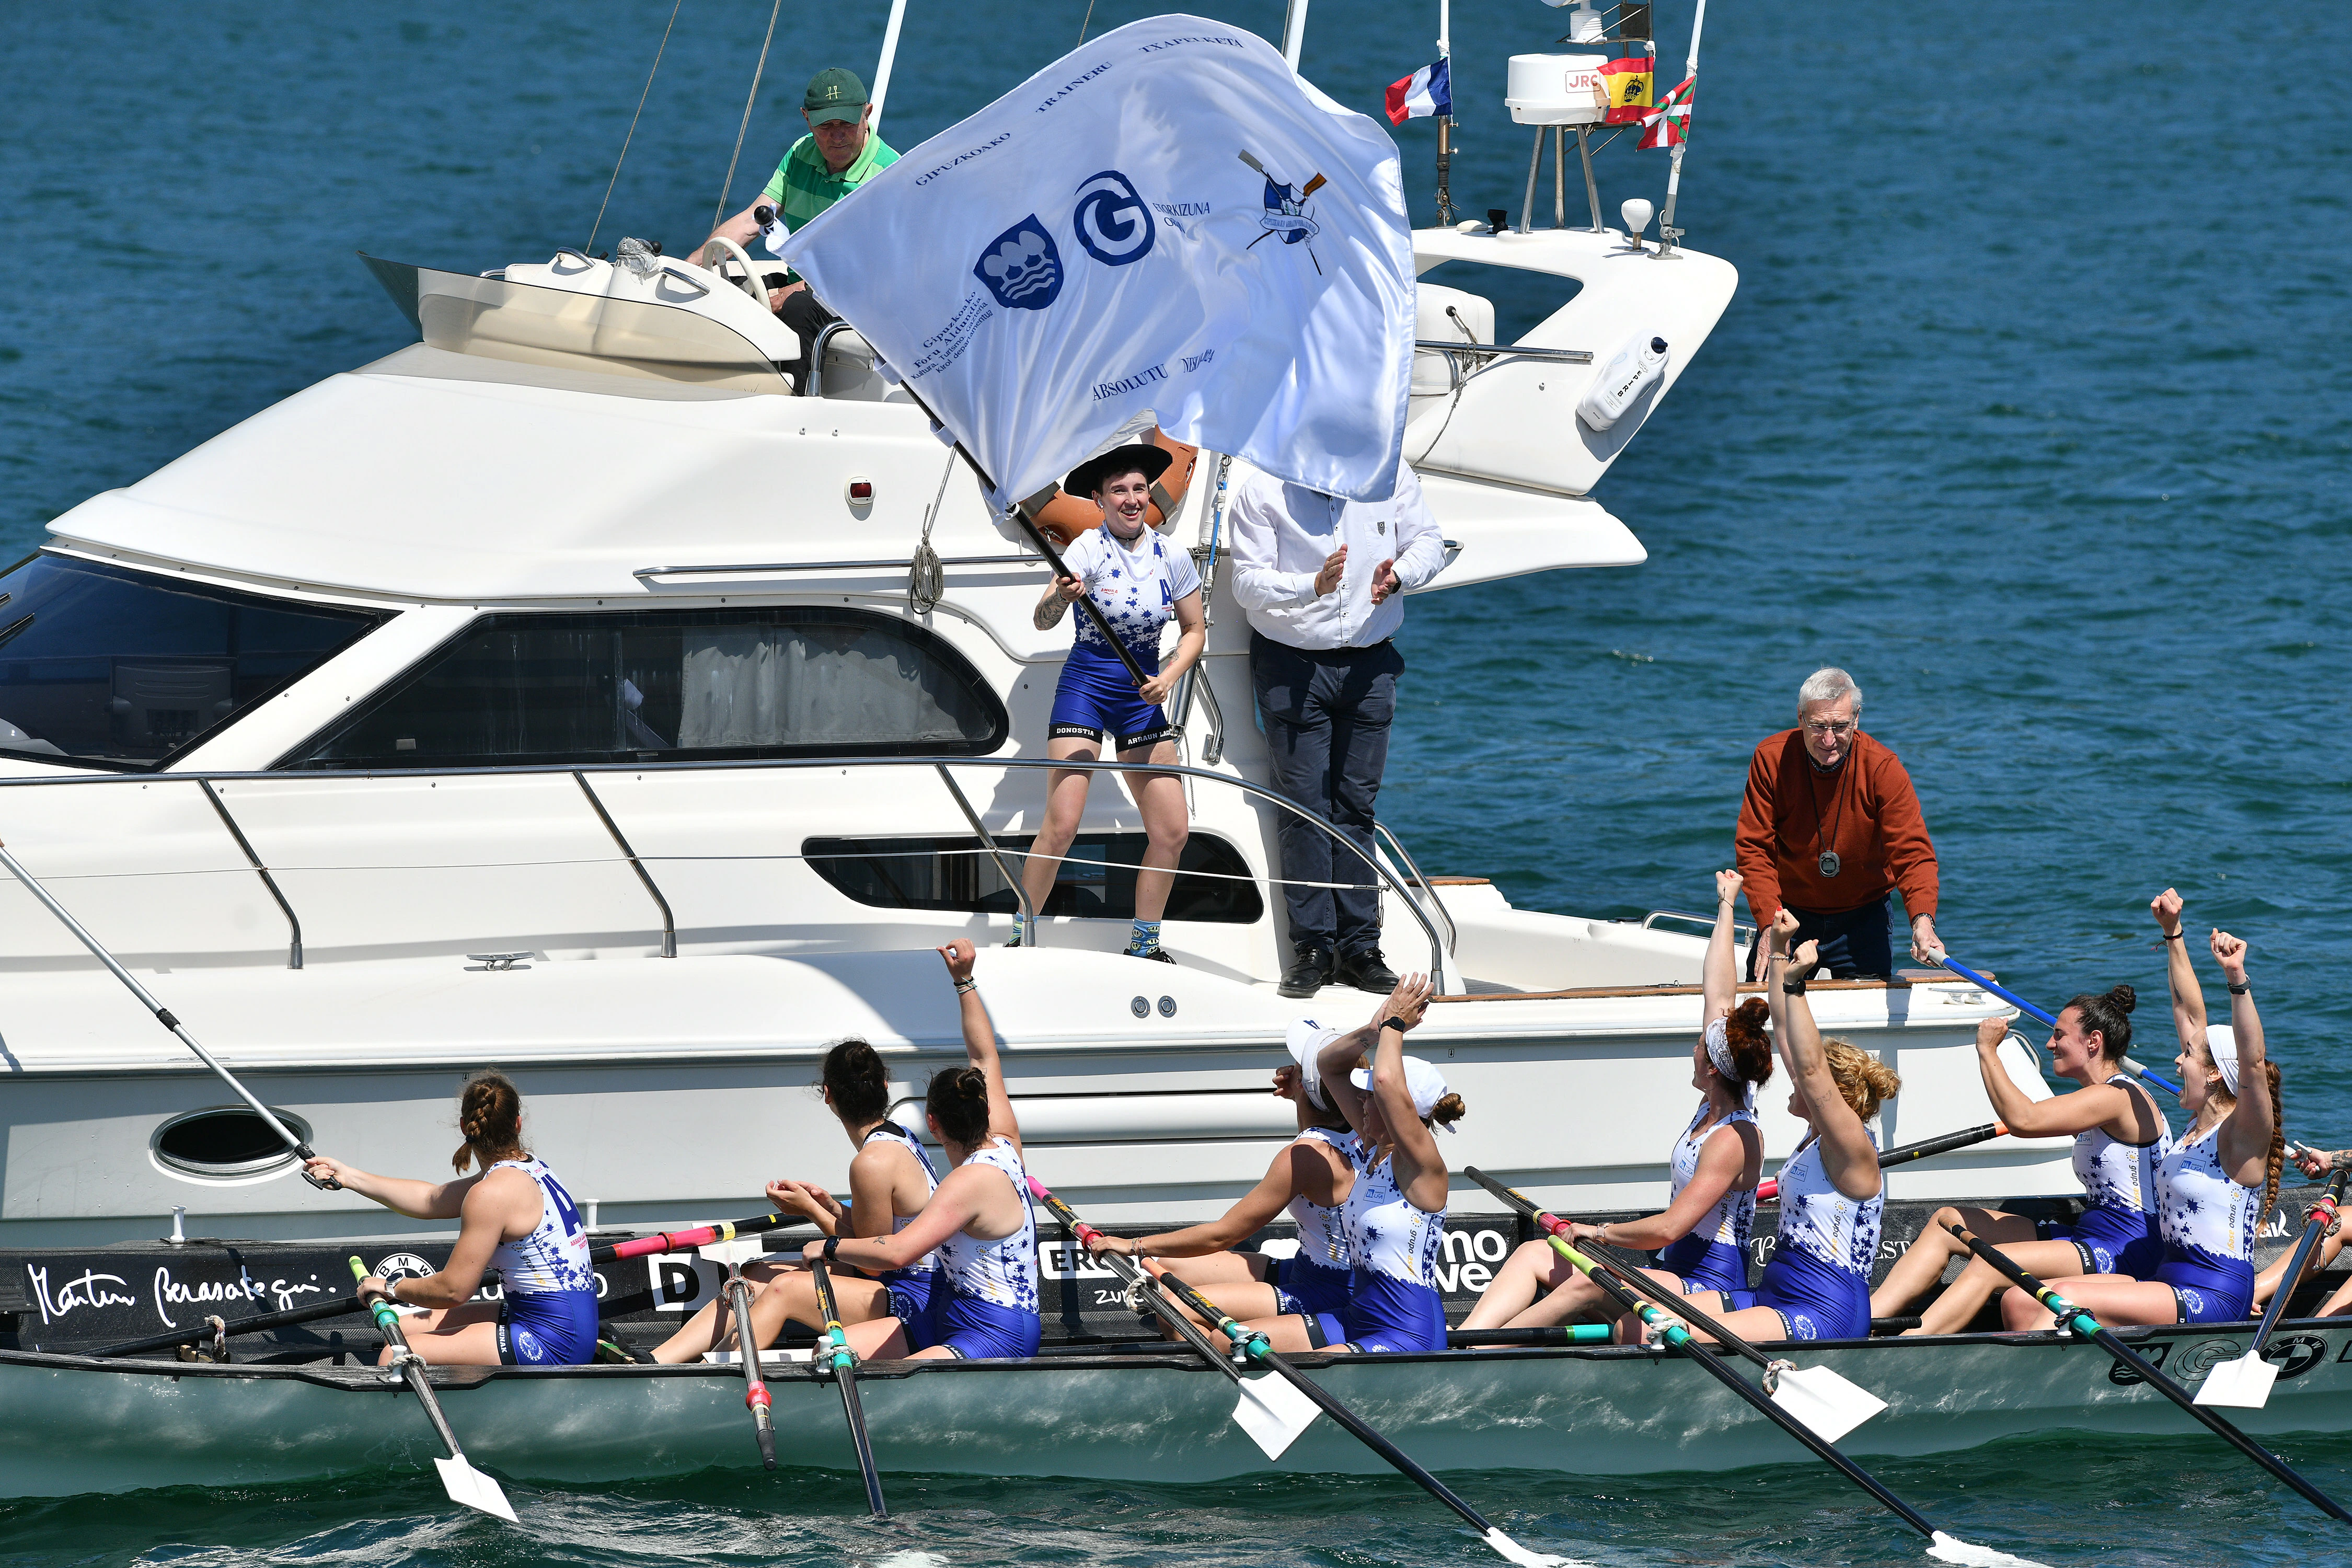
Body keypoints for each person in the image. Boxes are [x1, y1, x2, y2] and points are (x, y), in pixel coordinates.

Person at [1462, 870, 1771, 1330]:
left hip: (1707, 1289)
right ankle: (1464, 1341)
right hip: (1669, 1275)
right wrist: (1727, 905)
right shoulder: (1712, 1104)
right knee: (1534, 1252)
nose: (1692, 1049)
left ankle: (1488, 1353)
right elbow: (1719, 992)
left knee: (1593, 1279)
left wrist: (1598, 1233)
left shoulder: (1733, 1138)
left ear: (1711, 1067)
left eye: (1698, 1048)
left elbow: (1669, 1229)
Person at [1225, 460, 1448, 998]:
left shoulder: (1388, 475)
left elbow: (1430, 543)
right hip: (1293, 664)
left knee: (1356, 807)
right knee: (1304, 808)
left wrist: (1399, 575)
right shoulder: (1262, 490)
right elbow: (1247, 584)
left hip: (1371, 664)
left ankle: (1360, 947)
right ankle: (1313, 947)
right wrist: (1312, 585)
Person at [1632, 912, 1900, 1344]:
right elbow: (1785, 1029)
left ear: (1833, 1099)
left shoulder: (1852, 1149)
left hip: (1825, 1310)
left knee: (1663, 1333)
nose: (1790, 1079)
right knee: (1642, 1320)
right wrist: (1777, 950)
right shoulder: (1817, 1136)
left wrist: (1798, 985)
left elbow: (1812, 1070)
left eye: (1806, 1085)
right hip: (1776, 1293)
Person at [2004, 924, 2281, 1331]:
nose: (2176, 1061)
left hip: (2214, 1295)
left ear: (2215, 1075)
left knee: (2053, 1303)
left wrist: (2236, 979)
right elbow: (2188, 1013)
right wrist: (2174, 934)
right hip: (2166, 1280)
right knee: (2020, 1298)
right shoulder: (2194, 1129)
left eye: (2187, 1055)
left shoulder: (2242, 1138)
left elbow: (2252, 1063)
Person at [1869, 984, 2170, 1335]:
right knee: (1947, 1222)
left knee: (1991, 1263)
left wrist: (1987, 1050)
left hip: (2128, 1248)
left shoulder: (2116, 1096)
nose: (2050, 1044)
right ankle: (1863, 1324)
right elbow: (2026, 1119)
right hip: (2091, 1233)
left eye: (2059, 1035)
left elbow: (2024, 1121)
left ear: (2093, 1041)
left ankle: (1907, 1346)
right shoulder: (2094, 1101)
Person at [799, 939, 1041, 1358]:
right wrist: (963, 981)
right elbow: (984, 1054)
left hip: (994, 1331)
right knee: (823, 1357)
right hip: (948, 1308)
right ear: (982, 1107)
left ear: (932, 1124)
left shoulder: (966, 1183)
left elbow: (896, 1251)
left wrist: (830, 1245)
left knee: (884, 1386)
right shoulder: (1006, 1141)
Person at [1012, 445, 1205, 962]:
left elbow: (1195, 631)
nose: (1131, 499)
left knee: (1172, 831)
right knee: (1064, 823)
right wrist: (1063, 597)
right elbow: (1042, 620)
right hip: (1087, 690)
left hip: (1141, 696)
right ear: (1099, 499)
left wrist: (1169, 678)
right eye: (1119, 490)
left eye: (1139, 489)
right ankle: (1020, 935)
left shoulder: (1173, 556)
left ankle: (1144, 945)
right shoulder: (1086, 551)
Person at [647, 1028, 941, 1364]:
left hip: (911, 1297)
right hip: (904, 1279)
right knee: (755, 1274)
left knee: (782, 1289)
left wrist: (812, 1211)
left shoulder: (871, 1162)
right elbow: (876, 1236)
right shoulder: (900, 1136)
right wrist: (827, 1205)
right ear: (885, 1087)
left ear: (828, 1095)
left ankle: (707, 1375)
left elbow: (872, 1262)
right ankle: (658, 1361)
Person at [1080, 1019, 1360, 1329]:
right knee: (1173, 1266)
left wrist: (1133, 1245)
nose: (1287, 1068)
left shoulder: (1303, 1157)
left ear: (1304, 1084)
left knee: (1175, 1314)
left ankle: (1231, 1351)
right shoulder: (1366, 1127)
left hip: (1329, 1291)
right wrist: (1301, 1098)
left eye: (1296, 1065)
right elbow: (1322, 1122)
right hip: (1313, 1269)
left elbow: (1223, 1235)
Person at [304, 1071, 596, 1367]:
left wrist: (391, 1287)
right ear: (518, 1124)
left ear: (464, 1127)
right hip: (551, 1318)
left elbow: (453, 1290)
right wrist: (349, 1176)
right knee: (400, 1331)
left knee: (394, 1355)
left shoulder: (492, 1194)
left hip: (555, 1341)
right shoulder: (529, 1169)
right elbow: (429, 1200)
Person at [698, 66, 898, 387]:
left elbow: (874, 269)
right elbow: (754, 218)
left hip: (863, 298)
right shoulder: (800, 154)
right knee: (730, 292)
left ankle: (795, 400)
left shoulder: (889, 176)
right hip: (812, 284)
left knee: (798, 306)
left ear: (867, 114)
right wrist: (693, 264)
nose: (837, 136)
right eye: (825, 126)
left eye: (846, 124)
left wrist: (800, 289)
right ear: (807, 119)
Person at [1734, 667, 1940, 979]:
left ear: (1856, 719)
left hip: (1864, 918)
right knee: (1763, 1015)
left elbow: (1912, 853)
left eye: (1841, 726)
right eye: (1818, 726)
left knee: (1865, 1024)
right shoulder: (1770, 758)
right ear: (1800, 717)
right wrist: (1769, 923)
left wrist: (1923, 921)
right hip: (1788, 915)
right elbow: (1754, 848)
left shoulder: (1883, 767)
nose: (1829, 740)